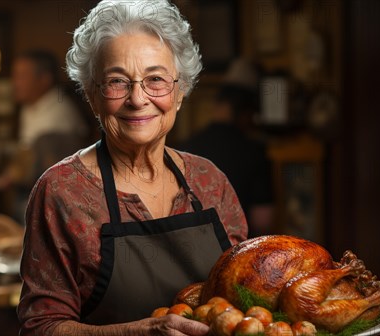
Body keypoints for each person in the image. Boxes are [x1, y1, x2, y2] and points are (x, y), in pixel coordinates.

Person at [17, 1, 248, 335]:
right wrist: (137, 332)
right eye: (117, 81)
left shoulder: (209, 180)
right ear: (93, 96)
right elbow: (41, 328)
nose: (138, 99)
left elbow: (246, 298)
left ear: (180, 92)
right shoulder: (62, 191)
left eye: (155, 79)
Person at [180, 59, 274, 238]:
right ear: (247, 112)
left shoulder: (186, 148)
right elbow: (263, 221)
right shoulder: (253, 152)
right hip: (239, 256)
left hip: (193, 252)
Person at [0, 49, 90, 222]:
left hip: (55, 203)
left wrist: (11, 175)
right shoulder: (29, 107)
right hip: (31, 194)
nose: (15, 83)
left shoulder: (58, 112)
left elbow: (48, 171)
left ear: (44, 80)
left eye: (21, 76)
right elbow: (25, 149)